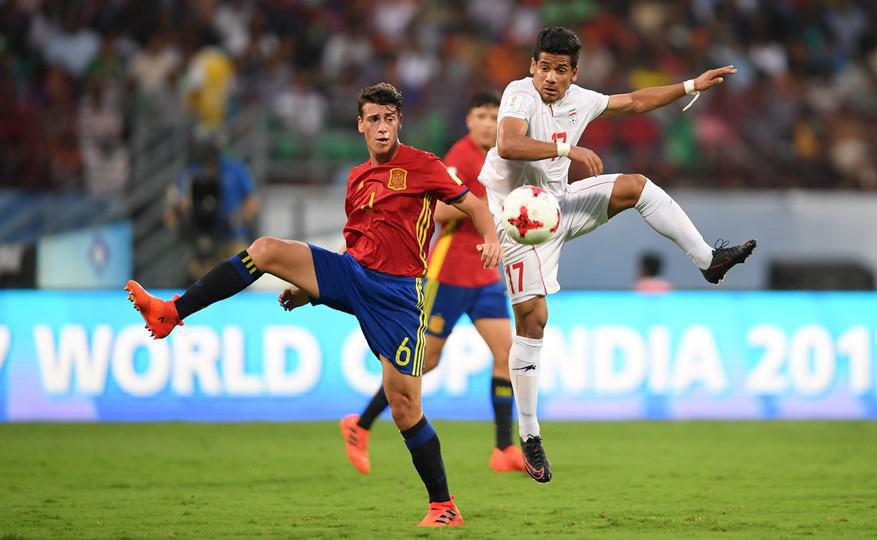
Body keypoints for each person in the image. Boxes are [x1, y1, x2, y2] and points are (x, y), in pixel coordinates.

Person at [125, 83, 503, 527]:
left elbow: (475, 206)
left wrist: (491, 239)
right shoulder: (357, 178)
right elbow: (355, 246)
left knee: (404, 406)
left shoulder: (424, 165)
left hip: (398, 295)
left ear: (400, 121)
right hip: (353, 274)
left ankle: (443, 506)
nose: (382, 127)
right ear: (360, 125)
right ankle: (172, 312)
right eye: (374, 119)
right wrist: (310, 288)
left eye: (389, 119)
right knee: (266, 250)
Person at [479, 27, 757, 483]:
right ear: (532, 67)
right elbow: (508, 144)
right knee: (534, 321)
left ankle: (709, 260)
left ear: (574, 73)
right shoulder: (519, 94)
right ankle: (528, 434)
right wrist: (568, 148)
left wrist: (690, 85)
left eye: (560, 70)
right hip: (518, 220)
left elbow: (635, 101)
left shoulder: (581, 99)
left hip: (558, 204)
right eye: (544, 67)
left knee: (636, 187)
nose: (551, 77)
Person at [340, 91, 524, 476]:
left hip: (485, 274)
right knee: (424, 360)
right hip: (449, 273)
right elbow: (438, 209)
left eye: (494, 117)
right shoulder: (460, 157)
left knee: (507, 354)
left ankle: (504, 447)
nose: (488, 123)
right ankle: (361, 424)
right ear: (469, 121)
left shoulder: (499, 158)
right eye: (481, 116)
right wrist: (482, 205)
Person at [165, 136, 259, 283]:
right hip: (200, 235)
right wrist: (179, 212)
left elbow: (252, 201)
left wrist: (239, 218)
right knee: (199, 278)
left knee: (240, 273)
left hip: (232, 236)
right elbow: (176, 204)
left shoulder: (235, 169)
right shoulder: (190, 173)